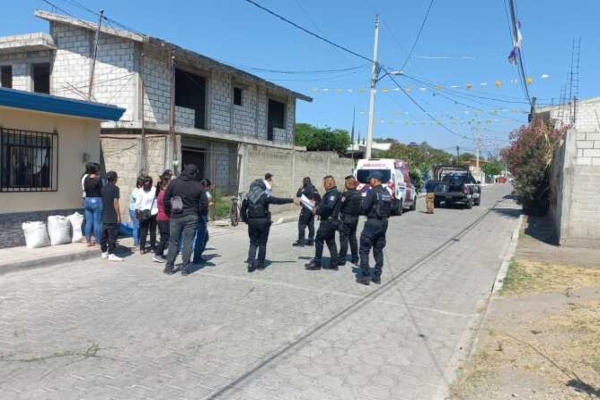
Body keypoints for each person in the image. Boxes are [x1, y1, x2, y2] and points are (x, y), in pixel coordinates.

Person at [241, 177, 297, 272]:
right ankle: (260, 264)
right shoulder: (264, 196)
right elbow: (277, 201)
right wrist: (292, 200)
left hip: (252, 222)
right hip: (263, 222)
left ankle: (250, 263)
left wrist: (247, 220)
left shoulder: (247, 197)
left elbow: (243, 210)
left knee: (253, 243)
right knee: (262, 243)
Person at [163, 164, 208, 276]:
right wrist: (197, 212)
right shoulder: (198, 186)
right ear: (194, 174)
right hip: (191, 216)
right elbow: (204, 203)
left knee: (174, 242)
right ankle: (185, 268)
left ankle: (169, 266)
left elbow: (165, 199)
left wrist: (169, 212)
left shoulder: (174, 183)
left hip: (176, 216)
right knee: (188, 242)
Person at [357, 171, 392, 286]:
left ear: (375, 179)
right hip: (383, 224)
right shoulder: (386, 192)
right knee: (378, 249)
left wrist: (361, 206)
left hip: (372, 223)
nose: (369, 181)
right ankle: (377, 276)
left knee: (364, 249)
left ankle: (365, 276)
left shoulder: (372, 192)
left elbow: (364, 207)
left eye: (370, 179)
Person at [305, 176, 341, 271]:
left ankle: (317, 263)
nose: (323, 186)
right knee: (330, 242)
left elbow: (329, 206)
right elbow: (324, 203)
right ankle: (334, 264)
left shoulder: (333, 193)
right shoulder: (331, 192)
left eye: (324, 184)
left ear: (329, 183)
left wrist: (317, 210)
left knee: (319, 240)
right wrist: (316, 203)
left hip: (328, 222)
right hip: (330, 222)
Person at [338, 175, 362, 266]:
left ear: (348, 183)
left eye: (345, 183)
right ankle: (355, 258)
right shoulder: (358, 193)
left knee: (344, 239)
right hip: (355, 218)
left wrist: (342, 194)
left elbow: (340, 205)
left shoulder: (346, 194)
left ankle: (341, 259)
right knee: (353, 238)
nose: (344, 184)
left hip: (346, 218)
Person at [100, 171, 123, 261]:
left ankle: (104, 252)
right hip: (112, 215)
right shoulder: (115, 188)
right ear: (115, 178)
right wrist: (119, 215)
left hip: (104, 215)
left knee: (104, 235)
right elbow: (115, 203)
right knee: (112, 236)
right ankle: (111, 254)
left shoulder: (103, 188)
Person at [135, 176, 158, 254]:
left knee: (145, 231)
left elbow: (137, 203)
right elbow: (157, 200)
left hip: (147, 213)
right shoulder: (154, 190)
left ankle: (144, 248)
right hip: (151, 212)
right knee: (150, 231)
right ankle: (150, 248)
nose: (147, 185)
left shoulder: (141, 190)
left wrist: (137, 211)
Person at [293, 177, 318, 247]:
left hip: (306, 209)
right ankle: (310, 241)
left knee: (301, 224)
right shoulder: (314, 188)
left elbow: (298, 194)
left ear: (304, 182)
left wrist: (300, 188)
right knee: (311, 225)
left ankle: (301, 241)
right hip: (312, 208)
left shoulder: (306, 188)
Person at [192, 178, 212, 264]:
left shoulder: (195, 191)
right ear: (207, 186)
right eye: (209, 186)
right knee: (201, 237)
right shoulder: (204, 193)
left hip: (195, 216)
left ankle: (196, 255)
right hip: (201, 217)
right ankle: (197, 256)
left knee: (200, 237)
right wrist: (208, 204)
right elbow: (203, 205)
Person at [83, 163, 103, 246]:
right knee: (97, 223)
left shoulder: (86, 178)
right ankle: (98, 242)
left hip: (87, 200)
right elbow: (102, 190)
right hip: (96, 200)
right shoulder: (98, 179)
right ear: (96, 170)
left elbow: (85, 189)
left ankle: (88, 241)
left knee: (88, 222)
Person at [154, 172, 171, 263]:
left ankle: (160, 253)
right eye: (168, 185)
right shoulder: (164, 194)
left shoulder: (161, 193)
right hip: (163, 218)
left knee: (164, 237)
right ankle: (158, 254)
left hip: (162, 217)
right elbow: (167, 206)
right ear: (164, 186)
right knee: (164, 237)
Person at [129, 176, 144, 247]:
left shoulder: (140, 190)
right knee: (136, 226)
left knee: (139, 226)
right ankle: (136, 242)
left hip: (138, 210)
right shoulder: (136, 191)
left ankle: (139, 241)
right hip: (134, 210)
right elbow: (139, 199)